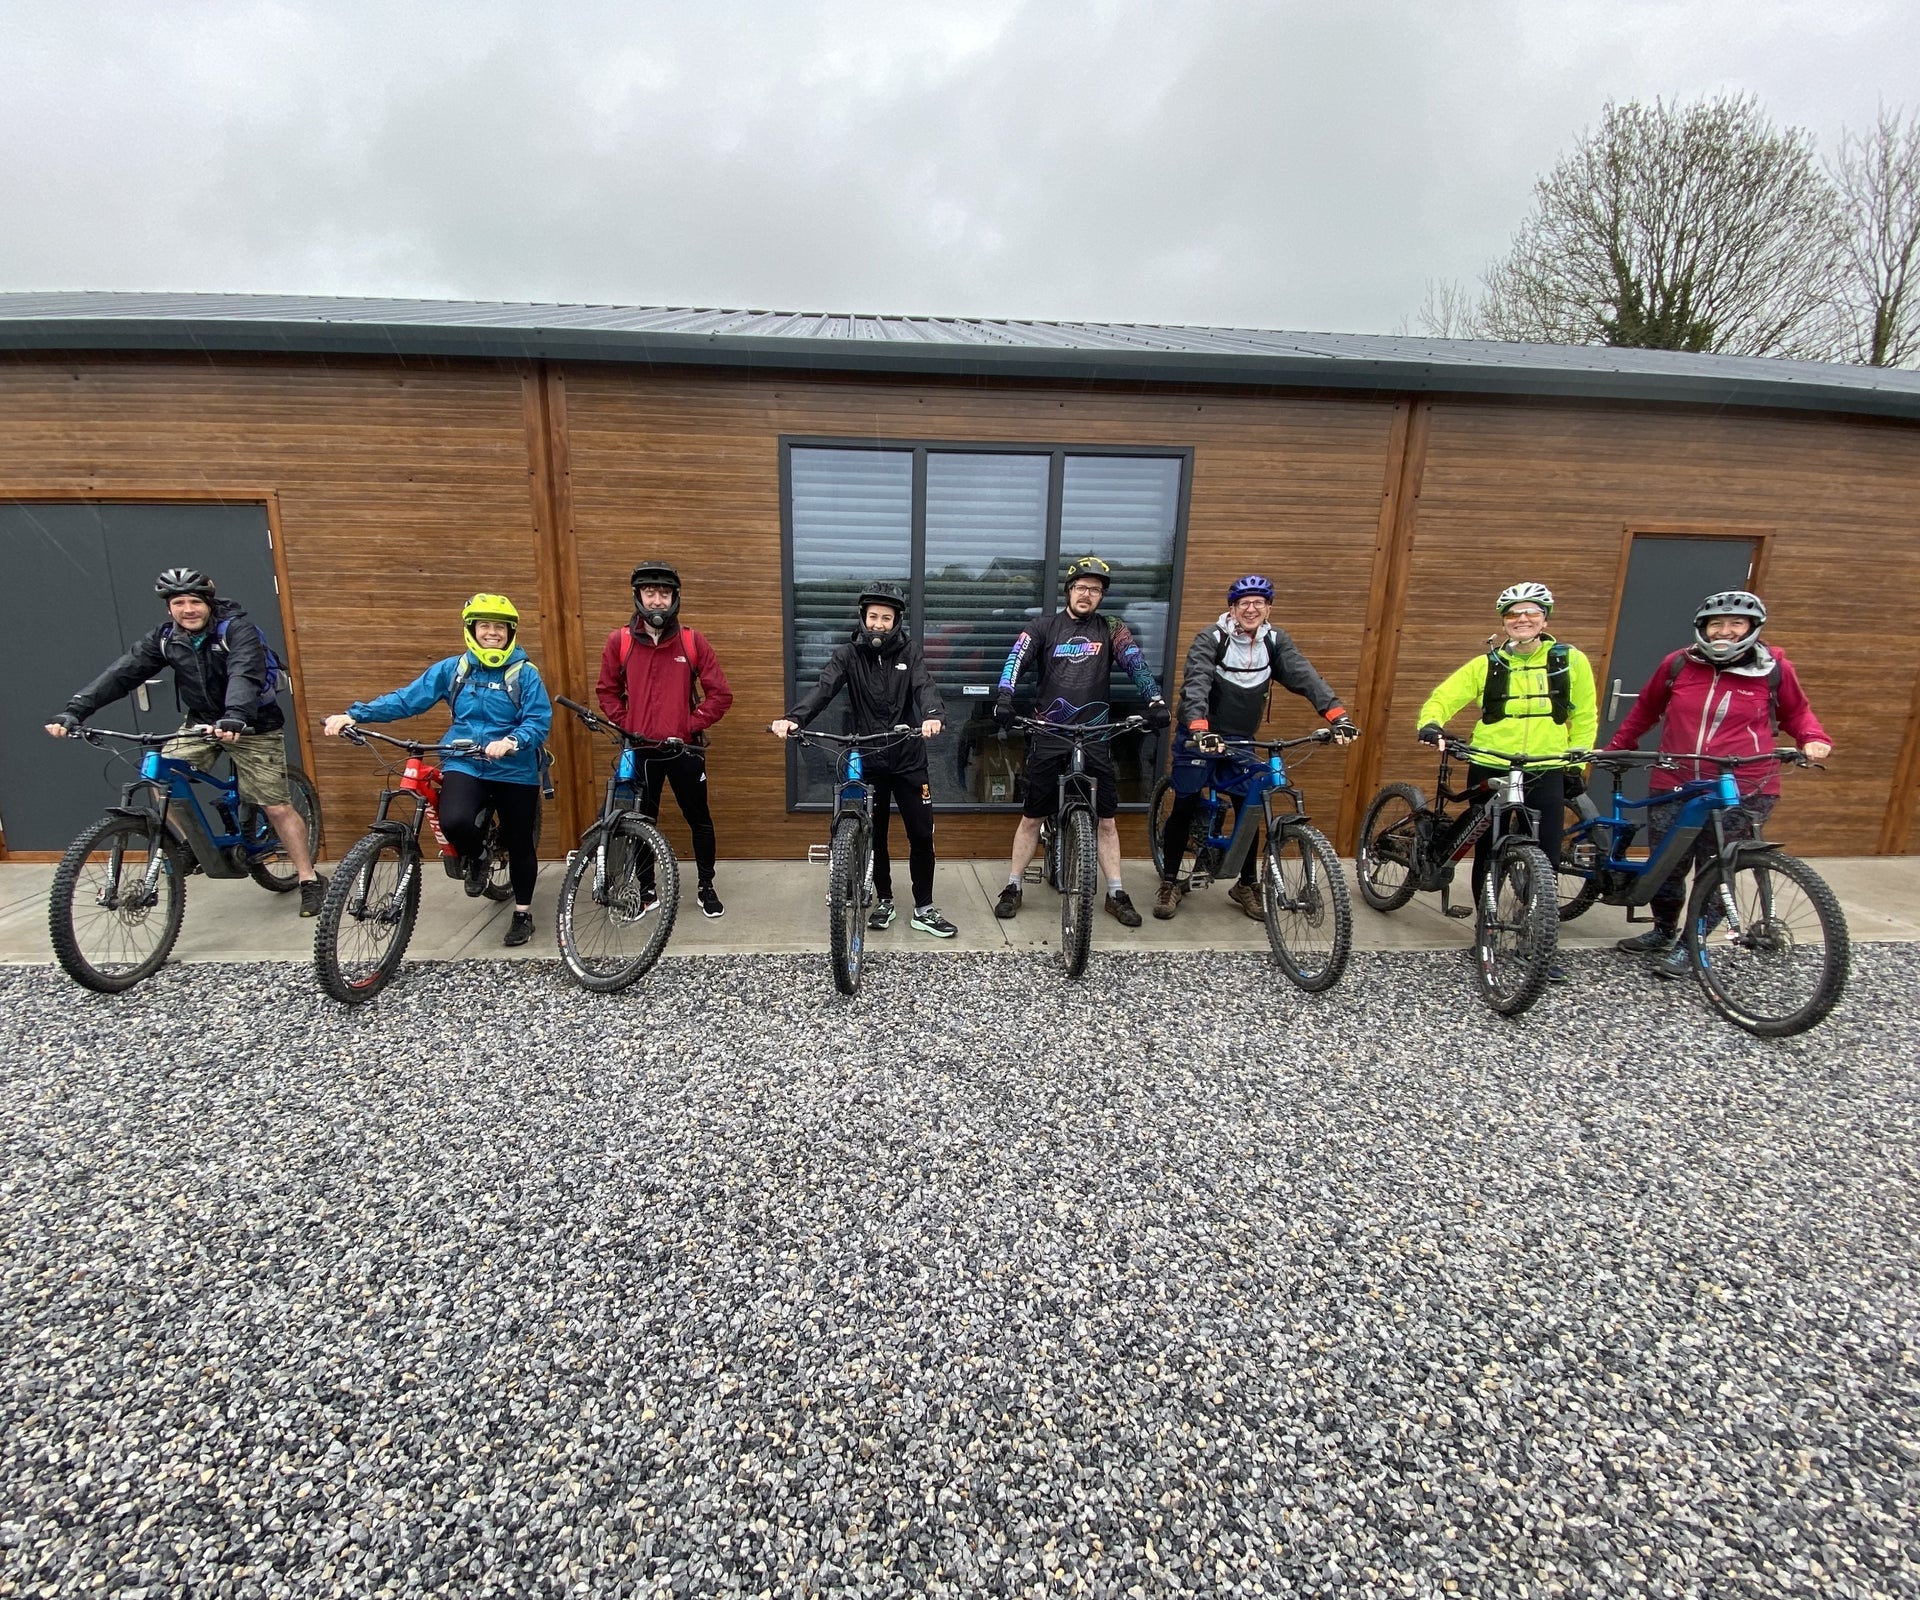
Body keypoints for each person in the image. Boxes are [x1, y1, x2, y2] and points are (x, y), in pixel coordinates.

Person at [46, 567, 326, 913]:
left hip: (252, 723)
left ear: (208, 603)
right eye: (179, 602)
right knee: (159, 772)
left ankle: (307, 877)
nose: (187, 609)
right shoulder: (165, 638)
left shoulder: (237, 631)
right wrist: (75, 710)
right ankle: (193, 844)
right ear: (168, 608)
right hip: (201, 724)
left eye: (194, 601)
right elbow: (121, 674)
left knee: (275, 805)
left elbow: (245, 671)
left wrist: (236, 713)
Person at [1603, 590, 1831, 977]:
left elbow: (1797, 712)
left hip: (1742, 784)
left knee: (1716, 866)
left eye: (1735, 623)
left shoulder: (1773, 668)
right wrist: (1617, 747)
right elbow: (1646, 709)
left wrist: (1813, 738)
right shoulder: (1678, 664)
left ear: (1751, 628)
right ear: (1703, 628)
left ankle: (1692, 943)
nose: (1725, 631)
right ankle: (1662, 931)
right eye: (1716, 624)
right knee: (1668, 865)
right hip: (1676, 778)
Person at [323, 594, 552, 946]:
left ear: (510, 632)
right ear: (472, 630)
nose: (492, 633)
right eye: (484, 626)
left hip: (512, 767)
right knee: (454, 820)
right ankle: (477, 856)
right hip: (463, 759)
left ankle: (522, 912)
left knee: (519, 840)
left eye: (499, 627)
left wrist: (512, 741)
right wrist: (356, 714)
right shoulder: (453, 670)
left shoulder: (524, 674)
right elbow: (407, 698)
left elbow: (538, 721)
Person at [1415, 582, 1597, 980]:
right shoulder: (1488, 663)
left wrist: (1575, 762)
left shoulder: (1569, 660)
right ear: (1504, 621)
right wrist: (1431, 723)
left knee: (1545, 854)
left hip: (1544, 765)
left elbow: (1584, 715)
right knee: (1489, 849)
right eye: (1514, 614)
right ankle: (1487, 929)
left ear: (1544, 619)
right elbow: (1444, 696)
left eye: (1531, 613)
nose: (1522, 620)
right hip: (1491, 762)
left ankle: (1537, 938)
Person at [1154, 575, 1358, 919]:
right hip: (1200, 734)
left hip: (1241, 740)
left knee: (1249, 807)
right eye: (1243, 603)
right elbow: (1197, 682)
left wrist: (1338, 716)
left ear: (1268, 608)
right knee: (1185, 803)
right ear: (1232, 609)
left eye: (1258, 602)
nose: (1251, 608)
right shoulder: (1212, 638)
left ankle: (1245, 884)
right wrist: (1200, 727)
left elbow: (1306, 676)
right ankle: (1171, 880)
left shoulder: (1274, 642)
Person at [770, 582, 957, 938]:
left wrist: (933, 714)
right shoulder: (848, 655)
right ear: (863, 618)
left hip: (907, 756)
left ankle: (924, 907)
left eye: (886, 618)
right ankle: (884, 899)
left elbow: (924, 686)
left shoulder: (910, 652)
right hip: (868, 755)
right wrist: (795, 718)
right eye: (873, 617)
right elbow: (823, 689)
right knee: (877, 833)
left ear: (897, 620)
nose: (879, 624)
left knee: (921, 832)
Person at [991, 555, 1170, 926]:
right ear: (1069, 590)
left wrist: (1154, 700)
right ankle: (1013, 885)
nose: (1087, 594)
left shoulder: (1112, 629)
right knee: (1030, 818)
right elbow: (1015, 660)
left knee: (1106, 822)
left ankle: (1116, 892)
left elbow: (1136, 663)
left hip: (1094, 734)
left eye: (1095, 589)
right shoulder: (1043, 627)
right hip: (1049, 733)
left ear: (1102, 596)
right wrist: (1005, 697)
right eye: (1081, 587)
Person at [596, 560, 734, 918]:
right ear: (638, 596)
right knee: (642, 821)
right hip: (641, 749)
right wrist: (629, 724)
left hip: (684, 749)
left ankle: (706, 885)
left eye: (664, 593)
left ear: (674, 597)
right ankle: (647, 890)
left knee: (699, 818)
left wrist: (689, 725)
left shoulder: (691, 640)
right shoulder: (620, 641)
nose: (657, 600)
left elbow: (720, 694)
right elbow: (607, 691)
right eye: (650, 592)